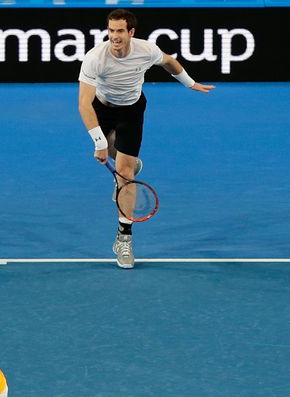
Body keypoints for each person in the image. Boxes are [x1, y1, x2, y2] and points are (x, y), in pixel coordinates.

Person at [78, 9, 215, 269]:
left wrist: (189, 83)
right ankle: (121, 161)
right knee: (115, 156)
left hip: (131, 111)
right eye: (111, 31)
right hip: (102, 110)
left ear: (131, 32)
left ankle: (124, 239)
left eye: (120, 31)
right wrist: (99, 142)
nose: (114, 36)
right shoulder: (95, 58)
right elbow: (84, 103)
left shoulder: (146, 50)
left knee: (125, 173)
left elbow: (169, 62)